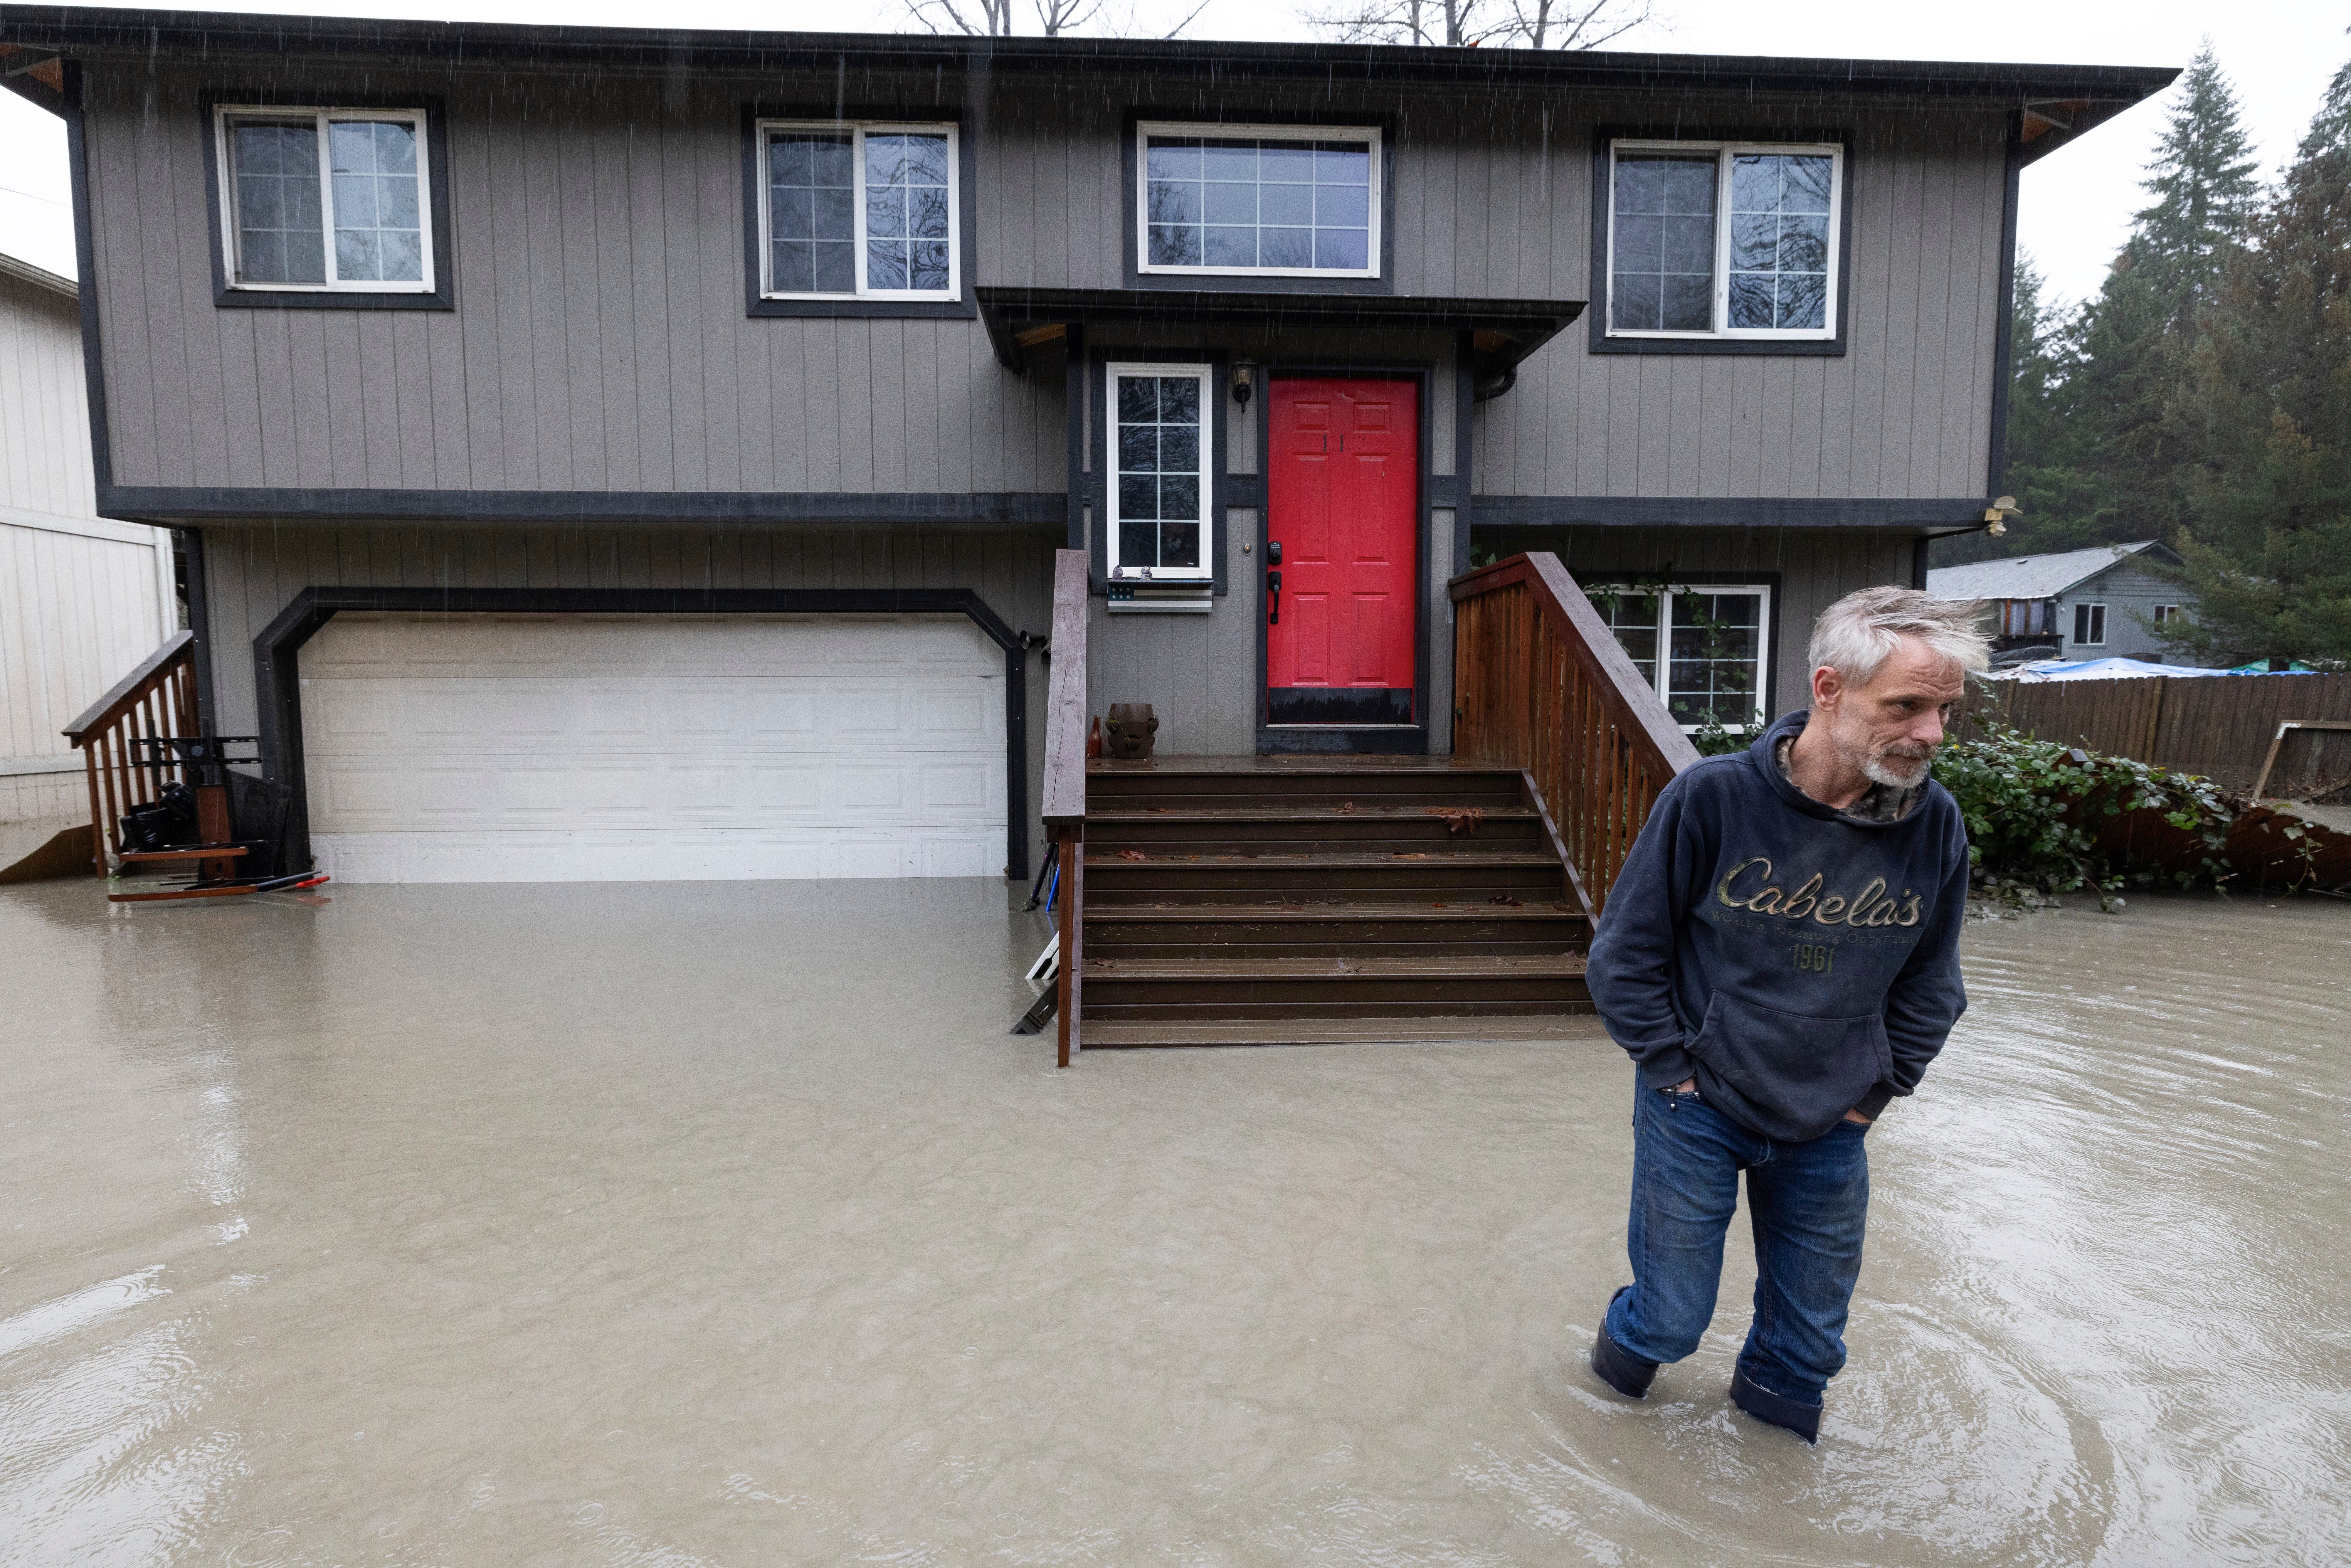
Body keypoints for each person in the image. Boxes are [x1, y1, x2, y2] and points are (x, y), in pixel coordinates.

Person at [1582, 586, 1989, 1443]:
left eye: (1946, 709)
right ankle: (1599, 1420)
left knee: (1807, 1347)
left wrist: (1871, 1096)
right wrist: (1675, 1072)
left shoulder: (1936, 823)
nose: (1933, 733)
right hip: (1696, 1105)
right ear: (1830, 689)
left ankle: (1771, 1498)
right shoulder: (1712, 799)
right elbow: (1624, 956)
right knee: (1670, 1320)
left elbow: (1933, 983)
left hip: (1831, 1122)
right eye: (1908, 706)